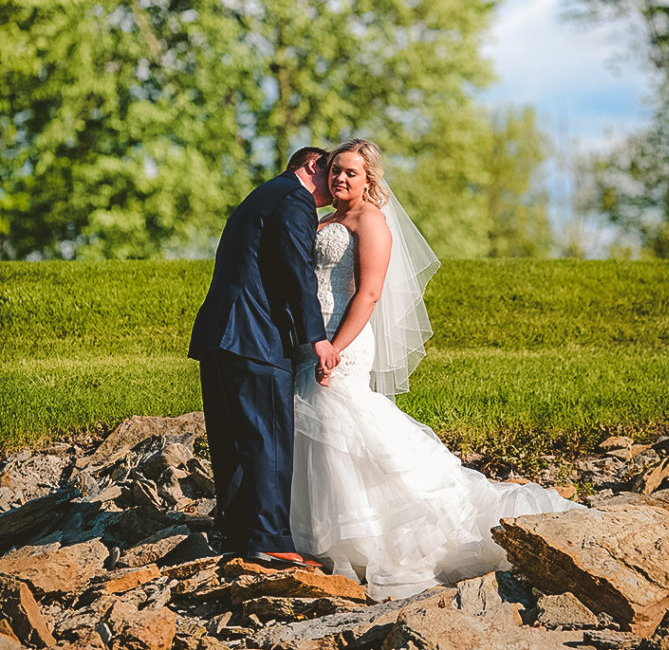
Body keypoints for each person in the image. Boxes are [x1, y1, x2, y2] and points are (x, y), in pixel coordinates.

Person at [290, 138, 580, 601]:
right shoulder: (325, 220)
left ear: (369, 180)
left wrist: (336, 348)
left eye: (350, 172)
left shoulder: (372, 222)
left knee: (343, 423)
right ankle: (323, 538)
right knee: (321, 428)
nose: (340, 178)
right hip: (312, 341)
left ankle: (369, 540)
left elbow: (368, 293)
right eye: (335, 171)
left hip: (343, 342)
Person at [188, 147, 340, 567]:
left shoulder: (261, 195)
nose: (338, 184)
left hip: (221, 334)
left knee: (233, 439)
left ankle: (240, 535)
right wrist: (317, 338)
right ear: (313, 166)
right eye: (334, 172)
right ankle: (272, 539)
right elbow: (297, 270)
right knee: (269, 437)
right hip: (256, 335)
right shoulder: (294, 199)